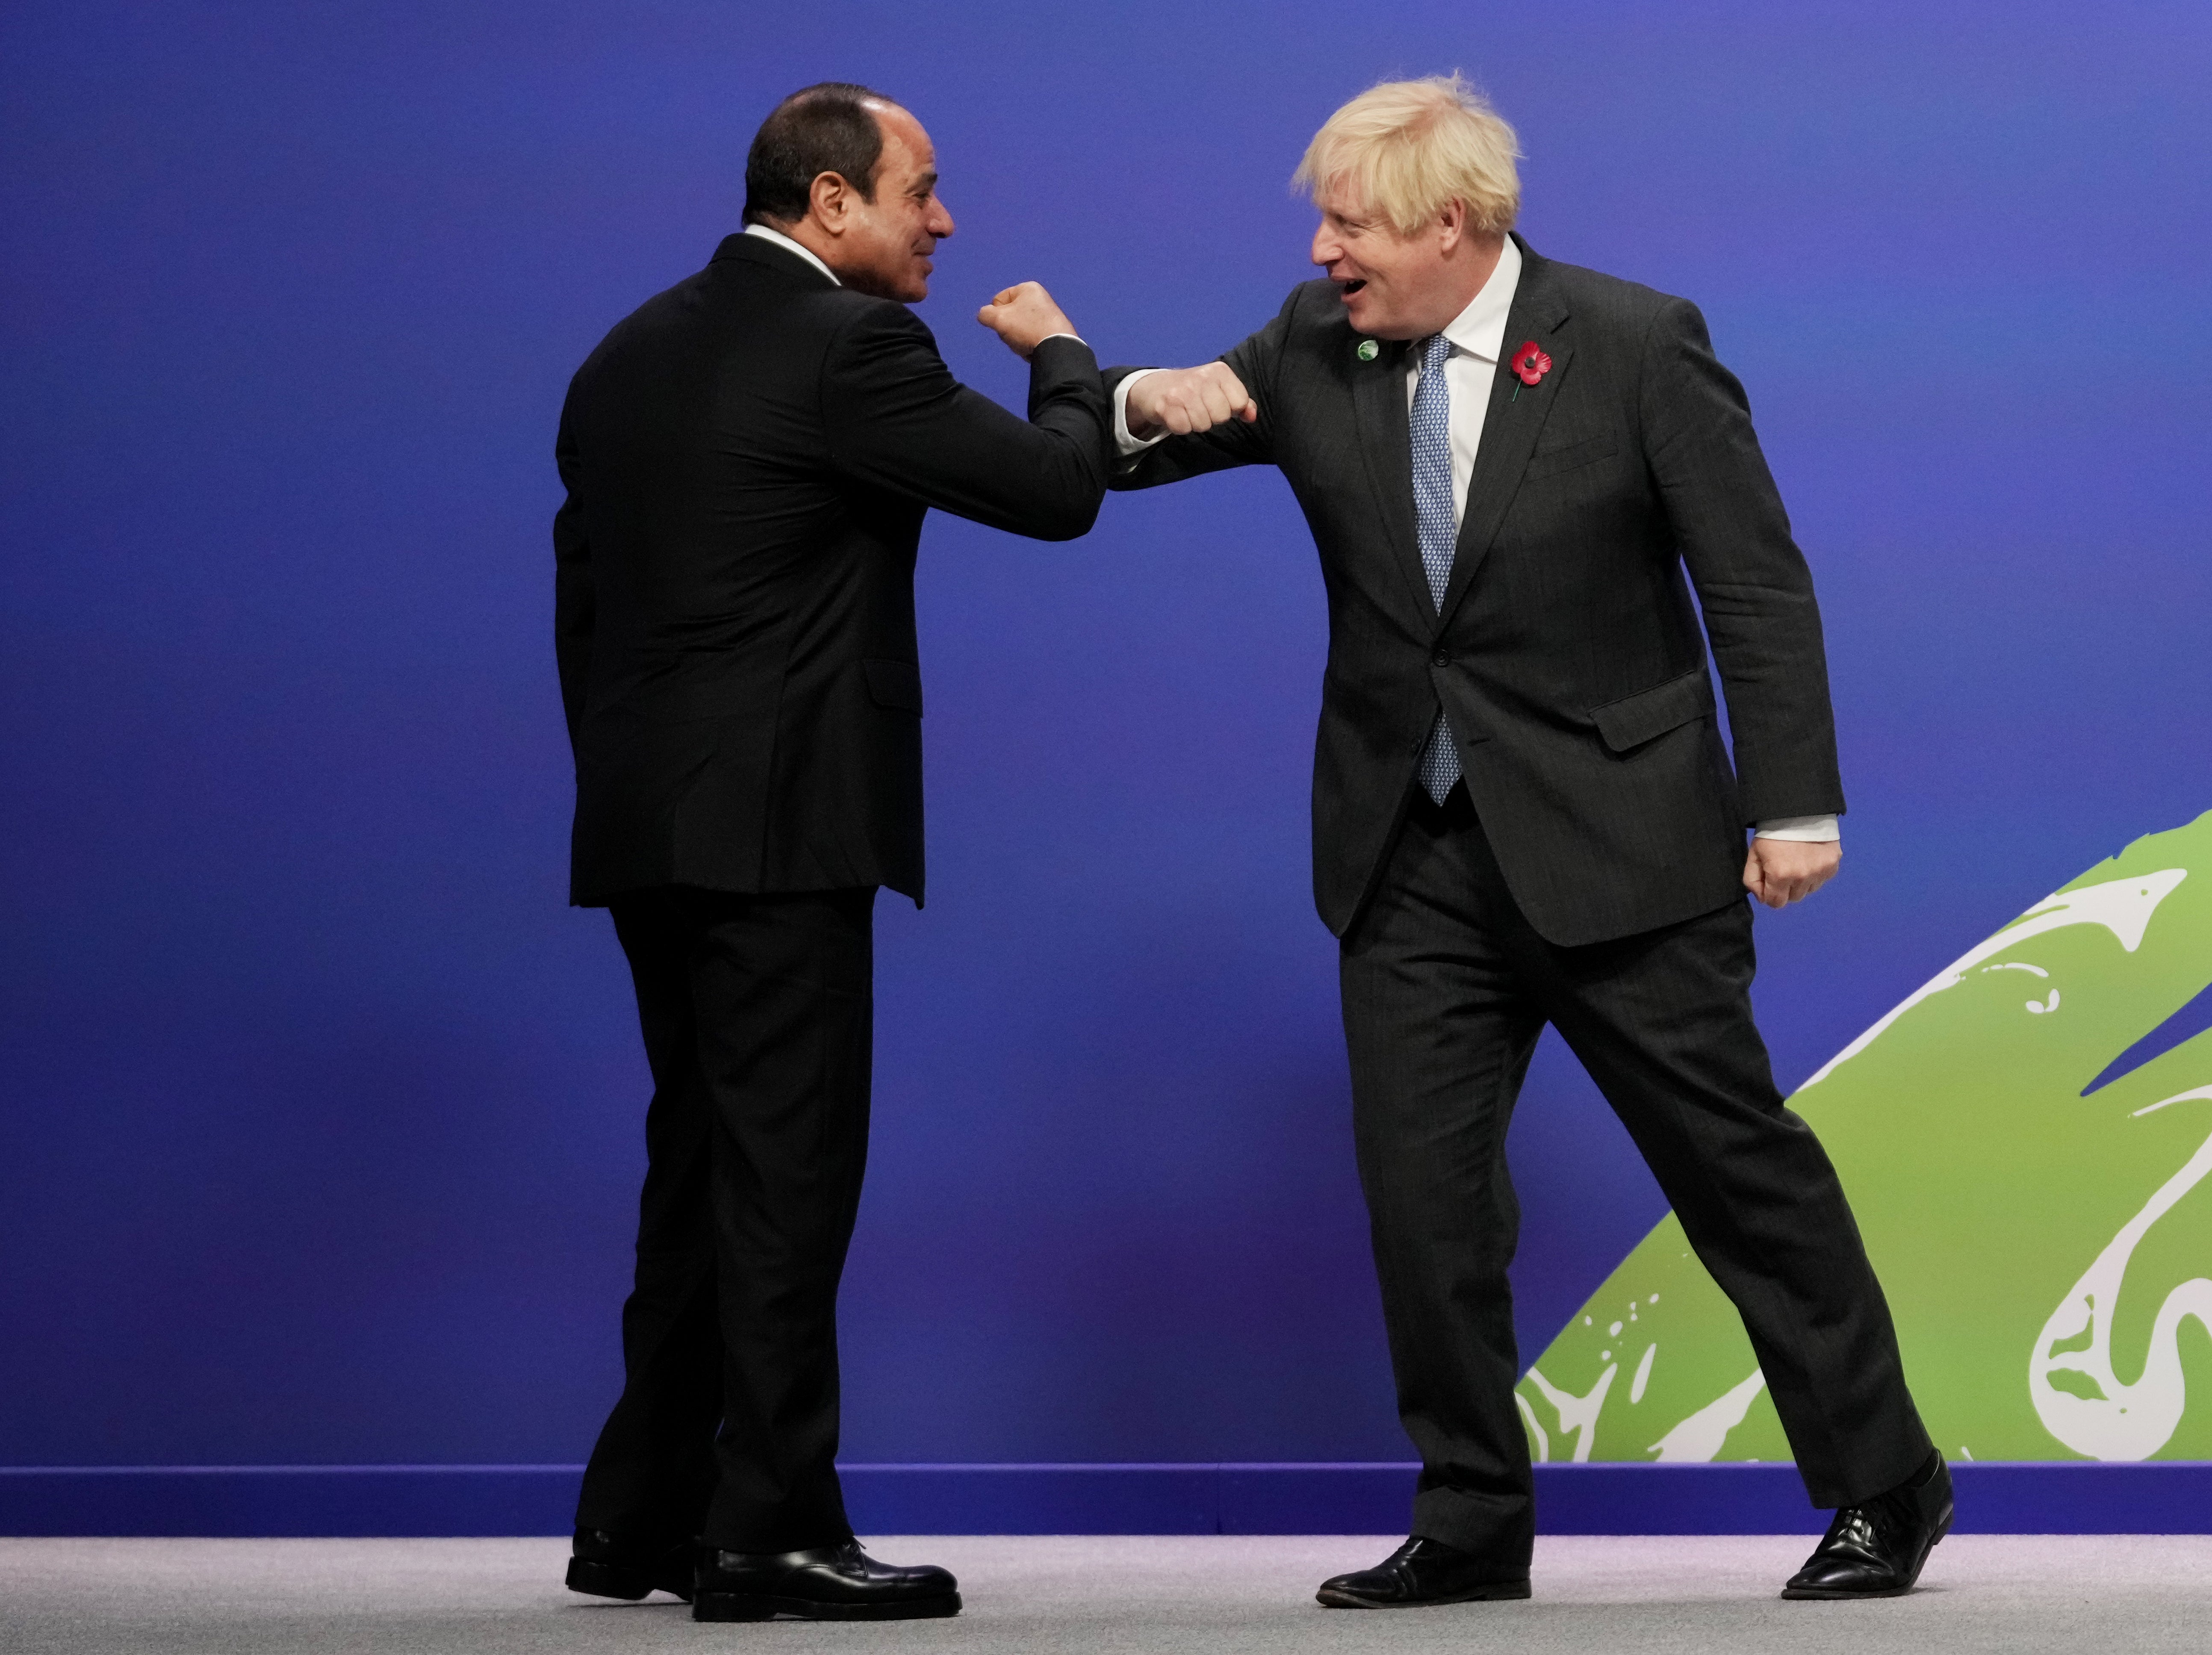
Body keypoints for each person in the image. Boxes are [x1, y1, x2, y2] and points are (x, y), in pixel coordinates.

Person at [1109, 74, 1950, 1606]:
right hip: (1407, 855)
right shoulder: (1314, 344)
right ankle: (1473, 1519)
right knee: (1424, 1207)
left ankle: (1887, 1483)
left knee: (1738, 1178)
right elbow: (1126, 446)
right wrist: (1113, 388)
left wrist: (1794, 805)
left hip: (1625, 850)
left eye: (1350, 222)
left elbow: (1753, 585)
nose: (1321, 250)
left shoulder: (1636, 343)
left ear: (1455, 225)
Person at [551, 81, 1108, 1623]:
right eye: (922, 189)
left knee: (703, 1172)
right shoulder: (853, 345)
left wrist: (642, 787)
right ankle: (770, 1534)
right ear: (831, 205)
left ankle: (638, 1523)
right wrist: (1064, 355)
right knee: (788, 1186)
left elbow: (582, 615)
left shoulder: (627, 351)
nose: (945, 218)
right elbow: (1056, 493)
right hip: (784, 838)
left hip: (650, 829)